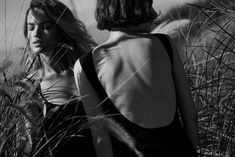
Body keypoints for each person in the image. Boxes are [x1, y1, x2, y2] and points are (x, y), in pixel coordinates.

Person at [74, 0, 199, 156]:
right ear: (133, 6)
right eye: (148, 4)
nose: (153, 14)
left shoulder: (87, 65)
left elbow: (101, 138)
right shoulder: (164, 44)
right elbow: (190, 114)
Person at [22, 0, 97, 156]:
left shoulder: (86, 70)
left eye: (46, 27)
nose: (36, 34)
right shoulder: (29, 86)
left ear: (61, 30)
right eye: (31, 28)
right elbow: (32, 145)